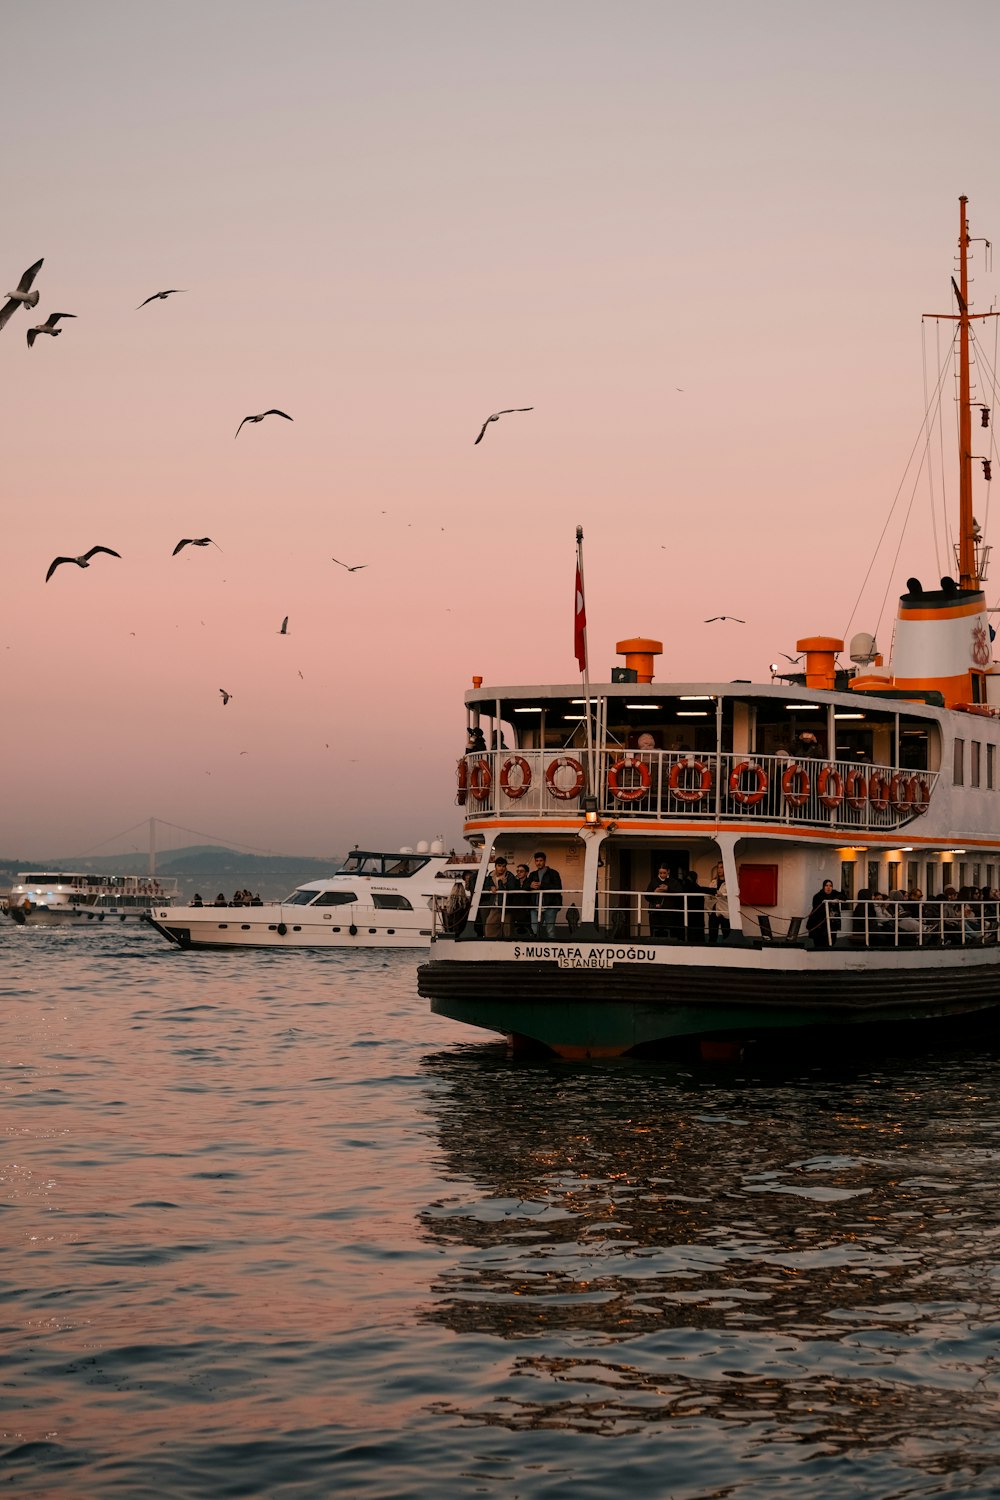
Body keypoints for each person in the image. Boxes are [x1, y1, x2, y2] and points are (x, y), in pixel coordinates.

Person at [482, 856, 518, 939]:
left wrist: (502, 883)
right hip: (495, 906)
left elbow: (512, 888)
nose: (501, 868)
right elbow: (486, 885)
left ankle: (507, 944)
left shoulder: (509, 876)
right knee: (489, 926)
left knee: (507, 929)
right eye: (499, 866)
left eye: (503, 866)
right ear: (495, 866)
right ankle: (491, 942)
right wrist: (490, 887)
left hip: (506, 906)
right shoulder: (491, 875)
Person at [528, 851, 562, 939]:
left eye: (541, 860)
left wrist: (541, 885)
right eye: (537, 861)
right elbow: (525, 885)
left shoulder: (553, 873)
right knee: (534, 931)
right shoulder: (532, 874)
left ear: (545, 861)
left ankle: (552, 948)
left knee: (550, 931)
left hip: (550, 906)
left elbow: (558, 887)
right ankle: (534, 949)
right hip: (535, 906)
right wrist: (530, 885)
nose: (539, 863)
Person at [806, 878, 841, 947]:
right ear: (823, 887)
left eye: (830, 886)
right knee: (820, 942)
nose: (828, 887)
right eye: (826, 885)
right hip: (820, 924)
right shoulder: (818, 896)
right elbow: (817, 909)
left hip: (832, 923)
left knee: (832, 941)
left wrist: (835, 898)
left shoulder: (834, 893)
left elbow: (843, 896)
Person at [645, 864, 672, 940]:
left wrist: (668, 889)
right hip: (654, 912)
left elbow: (679, 892)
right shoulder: (653, 882)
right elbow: (647, 896)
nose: (662, 875)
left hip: (668, 913)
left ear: (668, 871)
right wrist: (654, 892)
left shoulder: (672, 881)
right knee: (655, 933)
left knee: (667, 934)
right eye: (660, 873)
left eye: (664, 873)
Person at [707, 862, 730, 944]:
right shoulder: (713, 882)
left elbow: (732, 897)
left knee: (726, 933)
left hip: (725, 911)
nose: (719, 869)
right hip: (713, 910)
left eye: (721, 867)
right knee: (712, 934)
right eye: (718, 867)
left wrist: (722, 895)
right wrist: (708, 909)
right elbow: (707, 896)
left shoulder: (730, 883)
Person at [510, 862, 533, 937]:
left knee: (528, 929)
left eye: (521, 871)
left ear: (526, 873)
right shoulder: (514, 882)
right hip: (516, 910)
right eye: (517, 871)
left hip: (527, 910)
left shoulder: (530, 882)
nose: (519, 873)